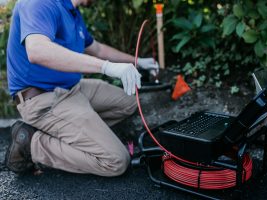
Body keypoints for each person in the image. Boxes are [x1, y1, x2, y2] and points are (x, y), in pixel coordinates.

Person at [5, 0, 159, 176]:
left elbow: (98, 49)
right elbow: (37, 50)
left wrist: (137, 62)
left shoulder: (73, 14)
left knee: (129, 103)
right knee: (116, 161)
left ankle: (73, 134)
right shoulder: (39, 2)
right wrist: (106, 67)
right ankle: (33, 144)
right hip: (45, 100)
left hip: (73, 89)